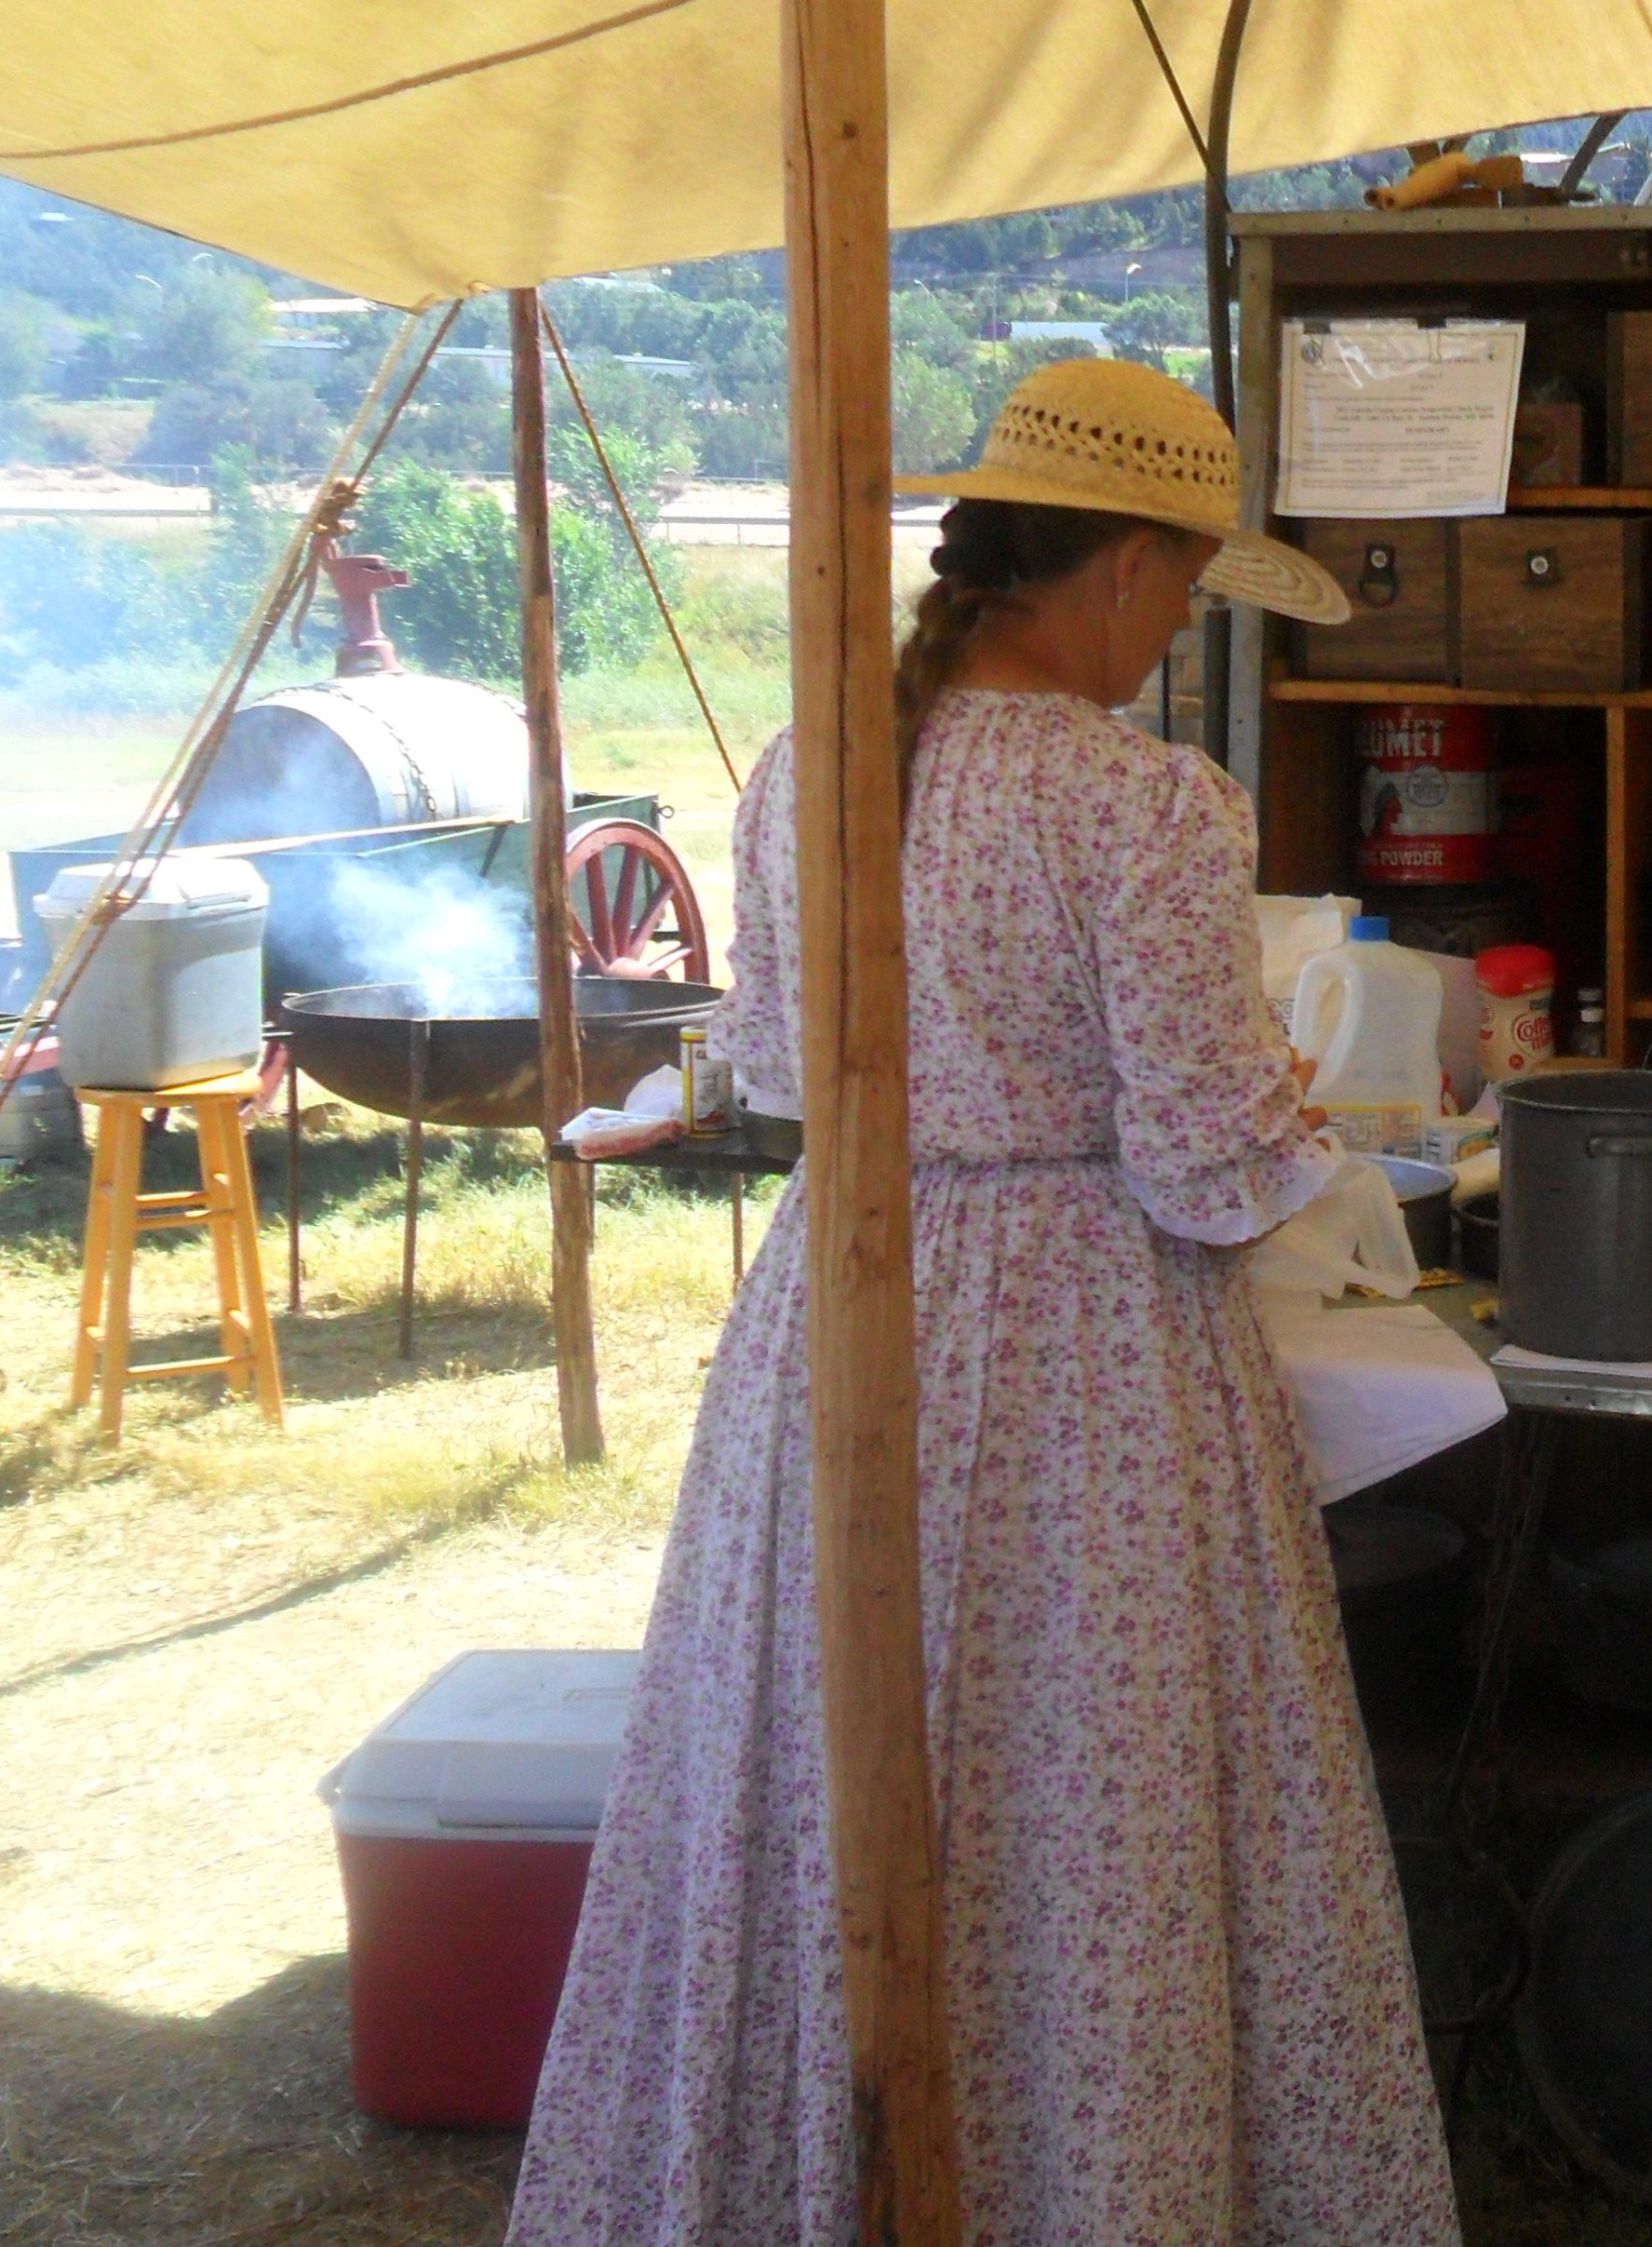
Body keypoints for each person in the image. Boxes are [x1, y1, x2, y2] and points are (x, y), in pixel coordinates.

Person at [507, 364, 1457, 2244]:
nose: (1175, 631)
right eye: (1183, 588)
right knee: (1082, 1801)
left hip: (843, 1314)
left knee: (822, 1763)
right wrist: (1290, 1109)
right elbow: (1206, 1164)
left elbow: (775, 1056)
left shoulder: (809, 769)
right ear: (1124, 568)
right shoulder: (1144, 804)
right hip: (1084, 1358)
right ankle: (1085, 2178)